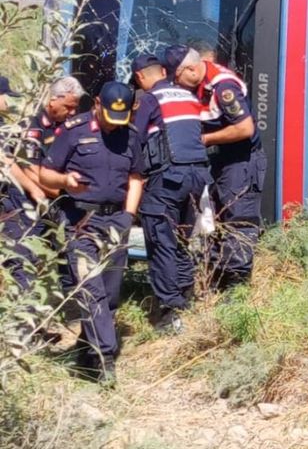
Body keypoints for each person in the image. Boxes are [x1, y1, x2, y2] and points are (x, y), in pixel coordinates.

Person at [40, 82, 143, 386]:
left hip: (116, 223)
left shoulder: (131, 134)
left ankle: (85, 354)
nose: (115, 124)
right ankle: (104, 359)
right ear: (97, 104)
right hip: (80, 221)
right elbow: (45, 173)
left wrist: (129, 215)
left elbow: (136, 176)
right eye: (110, 116)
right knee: (91, 289)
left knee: (109, 296)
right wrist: (65, 181)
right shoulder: (73, 130)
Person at [164, 45, 265, 289]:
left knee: (238, 219)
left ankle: (236, 289)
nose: (179, 85)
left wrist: (205, 140)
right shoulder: (199, 84)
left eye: (178, 78)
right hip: (221, 161)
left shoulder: (223, 87)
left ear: (190, 69)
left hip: (241, 161)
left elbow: (245, 128)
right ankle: (219, 281)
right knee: (219, 219)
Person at [131, 54, 211, 333]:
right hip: (197, 178)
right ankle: (187, 297)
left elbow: (134, 139)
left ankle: (169, 313)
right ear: (164, 71)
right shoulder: (188, 96)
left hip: (167, 180)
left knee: (160, 241)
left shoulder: (150, 100)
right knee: (180, 240)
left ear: (140, 77)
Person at [1, 76, 84, 294]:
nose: (72, 112)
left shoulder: (69, 126)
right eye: (68, 107)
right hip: (27, 202)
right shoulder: (30, 124)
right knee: (23, 259)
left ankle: (71, 308)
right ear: (52, 100)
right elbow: (20, 165)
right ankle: (25, 320)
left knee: (70, 254)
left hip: (58, 199)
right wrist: (49, 189)